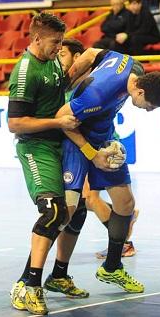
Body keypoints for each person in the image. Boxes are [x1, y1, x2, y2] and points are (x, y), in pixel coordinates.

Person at [56, 47, 160, 294]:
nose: (147, 111)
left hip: (104, 137)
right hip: (76, 140)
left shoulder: (133, 66)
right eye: (149, 106)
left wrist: (70, 78)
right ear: (140, 91)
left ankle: (111, 267)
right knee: (69, 210)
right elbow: (62, 118)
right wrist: (64, 87)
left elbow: (89, 53)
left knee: (125, 203)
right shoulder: (98, 94)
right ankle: (44, 276)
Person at [7, 13, 83, 316]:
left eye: (61, 42)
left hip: (58, 145)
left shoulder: (51, 61)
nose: (58, 47)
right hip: (35, 148)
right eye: (54, 42)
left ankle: (51, 277)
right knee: (53, 212)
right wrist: (56, 121)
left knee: (75, 210)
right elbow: (15, 123)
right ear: (36, 39)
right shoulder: (25, 72)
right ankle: (30, 286)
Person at [58, 39, 139, 260]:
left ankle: (124, 242)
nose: (58, 59)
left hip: (99, 146)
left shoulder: (96, 87)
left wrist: (95, 153)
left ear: (77, 58)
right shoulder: (73, 88)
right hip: (89, 146)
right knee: (89, 200)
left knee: (90, 199)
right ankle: (123, 222)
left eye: (62, 54)